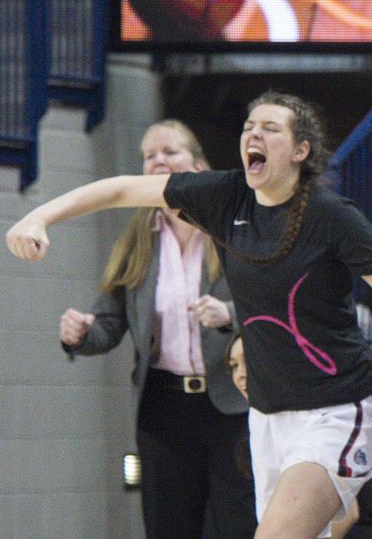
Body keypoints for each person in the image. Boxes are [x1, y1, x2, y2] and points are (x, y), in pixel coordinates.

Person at [7, 92, 372, 539]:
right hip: (266, 417)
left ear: (301, 151)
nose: (253, 134)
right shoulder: (226, 197)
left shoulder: (333, 217)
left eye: (270, 128)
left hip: (339, 410)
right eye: (248, 127)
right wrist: (40, 216)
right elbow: (124, 188)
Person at [59, 120, 254, 538]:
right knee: (168, 526)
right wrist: (79, 334)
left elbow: (268, 306)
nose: (157, 161)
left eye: (169, 152)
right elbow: (109, 326)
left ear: (198, 169)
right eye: (149, 156)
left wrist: (229, 314)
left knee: (237, 524)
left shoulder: (232, 233)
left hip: (231, 403)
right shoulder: (136, 242)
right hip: (164, 407)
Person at [224, 335, 372, 539]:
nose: (241, 374)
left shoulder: (313, 409)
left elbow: (344, 517)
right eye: (233, 366)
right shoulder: (264, 424)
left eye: (248, 361)